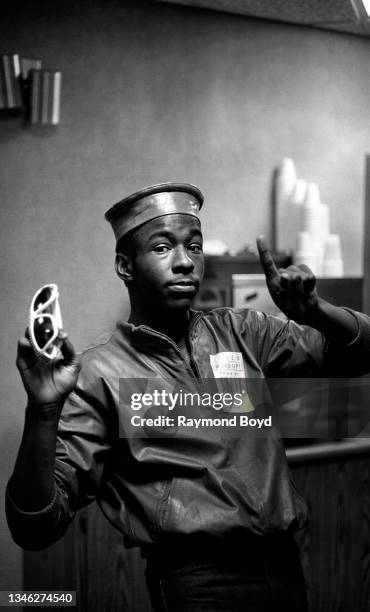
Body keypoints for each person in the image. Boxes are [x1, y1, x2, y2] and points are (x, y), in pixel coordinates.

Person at [6, 183, 370, 612]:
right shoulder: (98, 375)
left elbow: (359, 354)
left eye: (193, 247)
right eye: (162, 248)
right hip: (197, 586)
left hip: (284, 568)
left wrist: (315, 312)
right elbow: (35, 527)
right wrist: (43, 411)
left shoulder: (243, 332)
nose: (184, 263)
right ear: (125, 266)